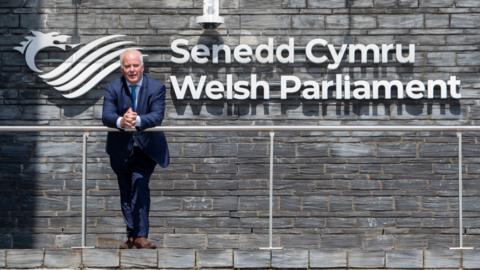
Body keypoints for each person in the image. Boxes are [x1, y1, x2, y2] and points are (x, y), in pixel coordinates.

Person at [102, 49, 169, 249]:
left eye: (135, 65)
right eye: (127, 66)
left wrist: (136, 120)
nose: (132, 70)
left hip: (146, 148)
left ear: (142, 66)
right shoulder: (113, 87)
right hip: (121, 148)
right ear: (122, 68)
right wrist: (121, 121)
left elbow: (157, 116)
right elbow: (106, 116)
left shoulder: (156, 87)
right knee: (125, 190)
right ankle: (131, 235)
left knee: (139, 185)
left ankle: (141, 235)